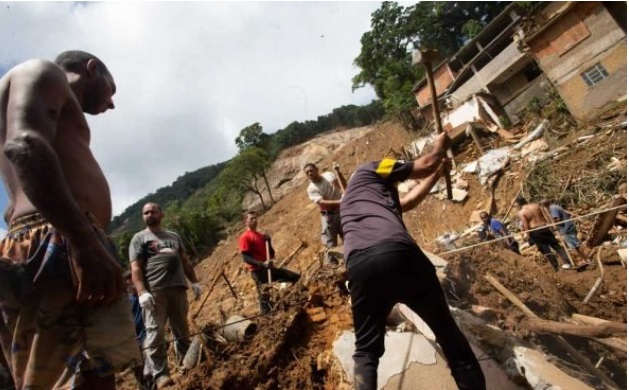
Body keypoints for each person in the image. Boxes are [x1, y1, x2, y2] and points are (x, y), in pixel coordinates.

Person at [0, 51, 141, 389]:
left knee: (73, 378)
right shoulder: (43, 72)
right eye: (111, 90)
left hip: (50, 239)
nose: (111, 103)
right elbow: (23, 146)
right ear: (91, 69)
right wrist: (82, 241)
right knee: (80, 377)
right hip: (61, 240)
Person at [340, 132, 486, 390]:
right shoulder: (374, 167)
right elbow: (424, 164)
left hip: (361, 266)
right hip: (400, 254)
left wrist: (437, 175)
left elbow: (407, 201)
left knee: (366, 352)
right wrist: (440, 146)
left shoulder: (361, 200)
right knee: (448, 334)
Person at [128, 202, 202, 389]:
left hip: (178, 288)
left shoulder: (174, 236)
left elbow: (185, 261)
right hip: (155, 293)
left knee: (181, 328)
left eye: (153, 211)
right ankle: (160, 375)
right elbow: (135, 268)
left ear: (162, 214)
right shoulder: (139, 238)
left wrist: (194, 282)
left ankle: (186, 363)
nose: (149, 215)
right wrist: (142, 292)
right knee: (155, 334)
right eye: (145, 213)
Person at [238, 211, 301, 314]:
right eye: (251, 219)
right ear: (246, 221)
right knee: (264, 297)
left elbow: (271, 254)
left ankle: (297, 298)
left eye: (255, 218)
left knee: (294, 276)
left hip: (268, 268)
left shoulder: (260, 236)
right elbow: (246, 258)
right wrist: (262, 264)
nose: (255, 220)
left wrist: (269, 241)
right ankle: (267, 319)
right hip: (258, 271)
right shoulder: (245, 237)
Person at [304, 162, 347, 264]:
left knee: (348, 237)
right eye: (307, 172)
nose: (310, 173)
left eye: (311, 170)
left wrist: (339, 173)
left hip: (342, 211)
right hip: (329, 216)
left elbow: (343, 186)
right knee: (330, 246)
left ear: (317, 169)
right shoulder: (311, 188)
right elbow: (321, 202)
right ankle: (332, 269)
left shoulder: (329, 175)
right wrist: (339, 201)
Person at [516, 196, 573, 271]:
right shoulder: (536, 206)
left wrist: (528, 235)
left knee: (545, 250)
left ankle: (556, 267)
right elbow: (546, 216)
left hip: (535, 231)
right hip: (544, 227)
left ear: (518, 204)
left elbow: (526, 224)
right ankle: (567, 262)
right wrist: (551, 225)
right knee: (556, 245)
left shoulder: (522, 212)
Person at [124, 270, 153, 390]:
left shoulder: (145, 296)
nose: (131, 283)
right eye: (128, 281)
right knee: (138, 371)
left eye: (132, 279)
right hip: (132, 341)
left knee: (149, 367)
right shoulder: (126, 302)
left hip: (146, 336)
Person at [540, 199, 590, 266]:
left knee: (576, 245)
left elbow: (557, 219)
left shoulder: (552, 208)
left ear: (544, 205)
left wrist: (552, 225)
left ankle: (586, 259)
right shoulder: (554, 206)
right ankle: (584, 260)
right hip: (567, 227)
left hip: (566, 228)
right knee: (575, 246)